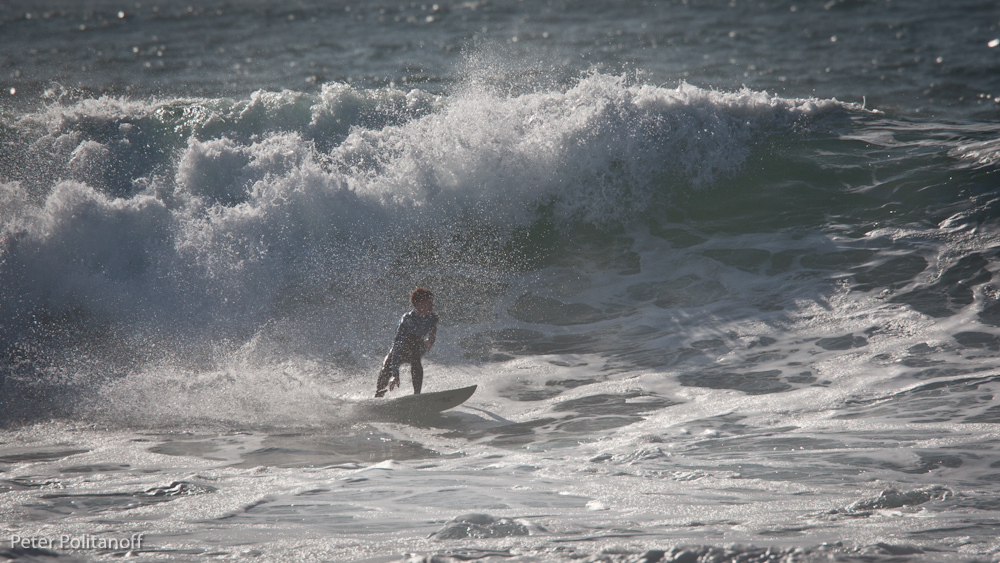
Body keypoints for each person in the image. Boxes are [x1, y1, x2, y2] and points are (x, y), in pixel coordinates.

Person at [374, 288, 438, 397]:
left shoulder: (432, 318)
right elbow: (397, 347)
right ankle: (379, 396)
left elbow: (433, 329)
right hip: (401, 349)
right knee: (386, 367)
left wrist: (430, 340)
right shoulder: (407, 320)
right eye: (428, 303)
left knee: (415, 357)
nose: (432, 305)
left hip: (417, 348)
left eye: (432, 302)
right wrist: (395, 374)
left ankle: (417, 395)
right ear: (418, 304)